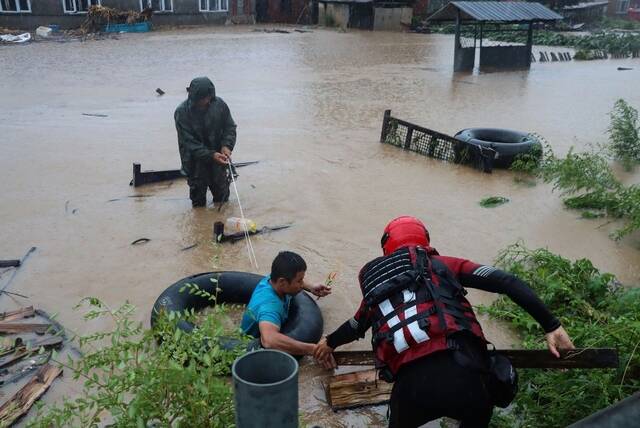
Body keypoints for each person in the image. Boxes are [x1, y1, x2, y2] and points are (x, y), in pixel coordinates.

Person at [314, 216, 574, 428]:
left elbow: (355, 326)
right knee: (478, 406)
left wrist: (329, 343)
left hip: (410, 391)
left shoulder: (378, 289)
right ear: (425, 241)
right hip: (465, 377)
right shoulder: (444, 264)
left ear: (386, 248)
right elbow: (507, 282)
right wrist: (551, 325)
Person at [241, 251, 333, 366]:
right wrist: (314, 350)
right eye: (299, 281)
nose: (301, 284)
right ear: (282, 282)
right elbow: (269, 340)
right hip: (249, 346)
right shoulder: (270, 305)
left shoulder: (273, 280)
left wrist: (311, 287)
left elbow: (291, 280)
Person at [174, 76, 237, 208]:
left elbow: (230, 127)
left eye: (208, 97)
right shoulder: (182, 112)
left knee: (222, 199)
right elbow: (189, 143)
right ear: (193, 97)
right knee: (198, 203)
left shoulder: (219, 105)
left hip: (218, 163)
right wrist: (212, 155)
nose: (206, 101)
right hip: (195, 163)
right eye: (202, 99)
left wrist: (227, 145)